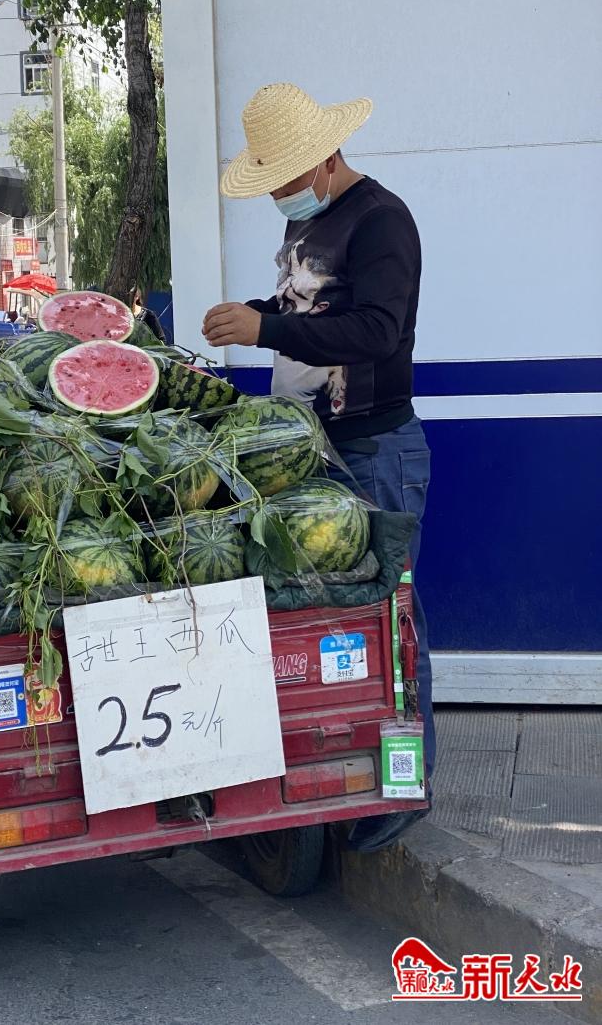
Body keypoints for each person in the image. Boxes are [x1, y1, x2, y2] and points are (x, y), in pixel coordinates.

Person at [202, 82, 433, 853]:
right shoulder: (314, 219)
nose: (280, 194)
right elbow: (308, 310)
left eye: (288, 179)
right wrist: (253, 313)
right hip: (316, 450)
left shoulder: (382, 221)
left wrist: (264, 330)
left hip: (375, 452)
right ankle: (348, 773)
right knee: (338, 627)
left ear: (327, 158)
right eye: (270, 182)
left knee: (392, 623)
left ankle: (406, 786)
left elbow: (374, 330)